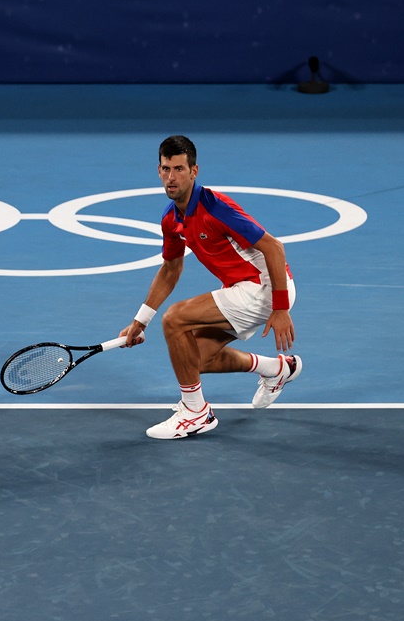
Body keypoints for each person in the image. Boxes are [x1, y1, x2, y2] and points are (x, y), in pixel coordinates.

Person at [120, 135, 300, 439]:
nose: (171, 177)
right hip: (244, 289)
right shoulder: (170, 219)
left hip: (263, 287)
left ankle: (195, 412)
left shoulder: (216, 207)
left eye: (179, 169)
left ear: (194, 171)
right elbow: (171, 269)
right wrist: (140, 321)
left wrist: (280, 307)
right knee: (196, 359)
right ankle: (277, 369)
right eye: (166, 169)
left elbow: (274, 247)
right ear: (158, 170)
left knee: (175, 319)